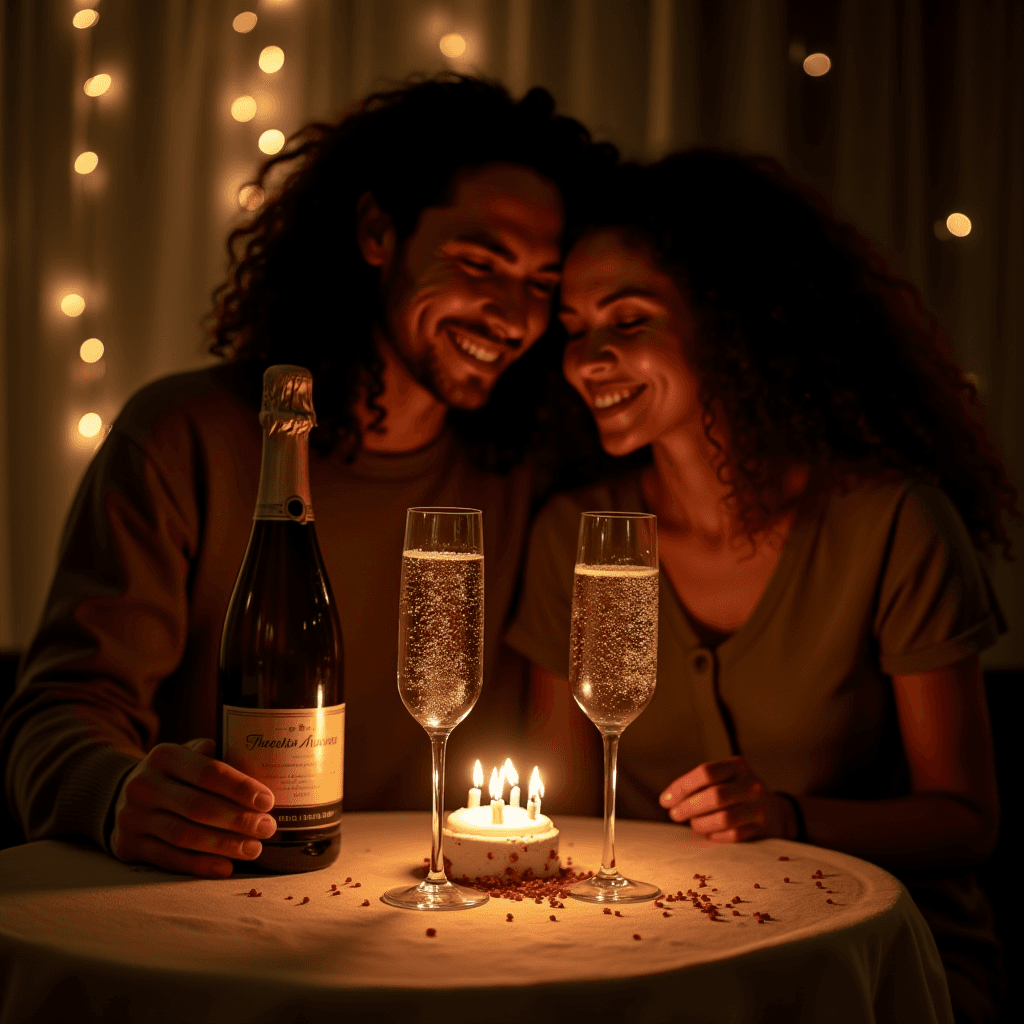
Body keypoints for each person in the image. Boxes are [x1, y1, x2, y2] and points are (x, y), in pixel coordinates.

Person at [0, 74, 616, 879]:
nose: (513, 316)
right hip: (214, 906)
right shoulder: (184, 437)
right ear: (376, 232)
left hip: (436, 937)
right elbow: (58, 710)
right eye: (478, 262)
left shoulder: (535, 474)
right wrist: (117, 793)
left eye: (542, 285)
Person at [505, 151, 1017, 1024]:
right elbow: (570, 807)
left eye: (628, 319)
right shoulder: (577, 536)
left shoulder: (891, 523)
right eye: (574, 326)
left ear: (732, 321)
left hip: (874, 960)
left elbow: (965, 820)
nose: (586, 358)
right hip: (659, 955)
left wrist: (785, 815)